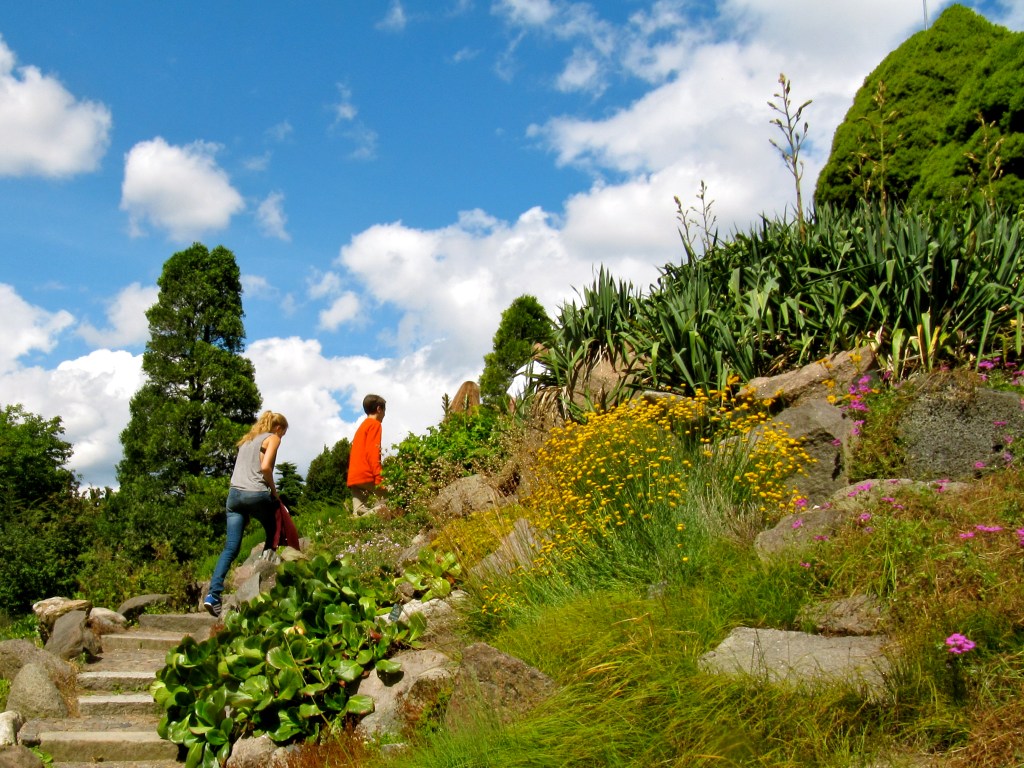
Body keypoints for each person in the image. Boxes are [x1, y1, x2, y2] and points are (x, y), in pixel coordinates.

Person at [204, 410, 288, 617]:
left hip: (234, 496)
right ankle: (268, 576)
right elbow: (266, 467)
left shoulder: (247, 440)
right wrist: (275, 494)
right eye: (283, 433)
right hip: (255, 493)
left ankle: (213, 595)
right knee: (276, 527)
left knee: (230, 548)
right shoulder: (273, 438)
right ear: (278, 428)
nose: (282, 437)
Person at [347, 394, 386, 517]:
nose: (384, 415)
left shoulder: (361, 427)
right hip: (366, 474)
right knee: (395, 498)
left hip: (354, 477)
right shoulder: (375, 425)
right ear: (379, 409)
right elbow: (373, 452)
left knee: (358, 513)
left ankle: (358, 518)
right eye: (384, 411)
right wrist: (379, 479)